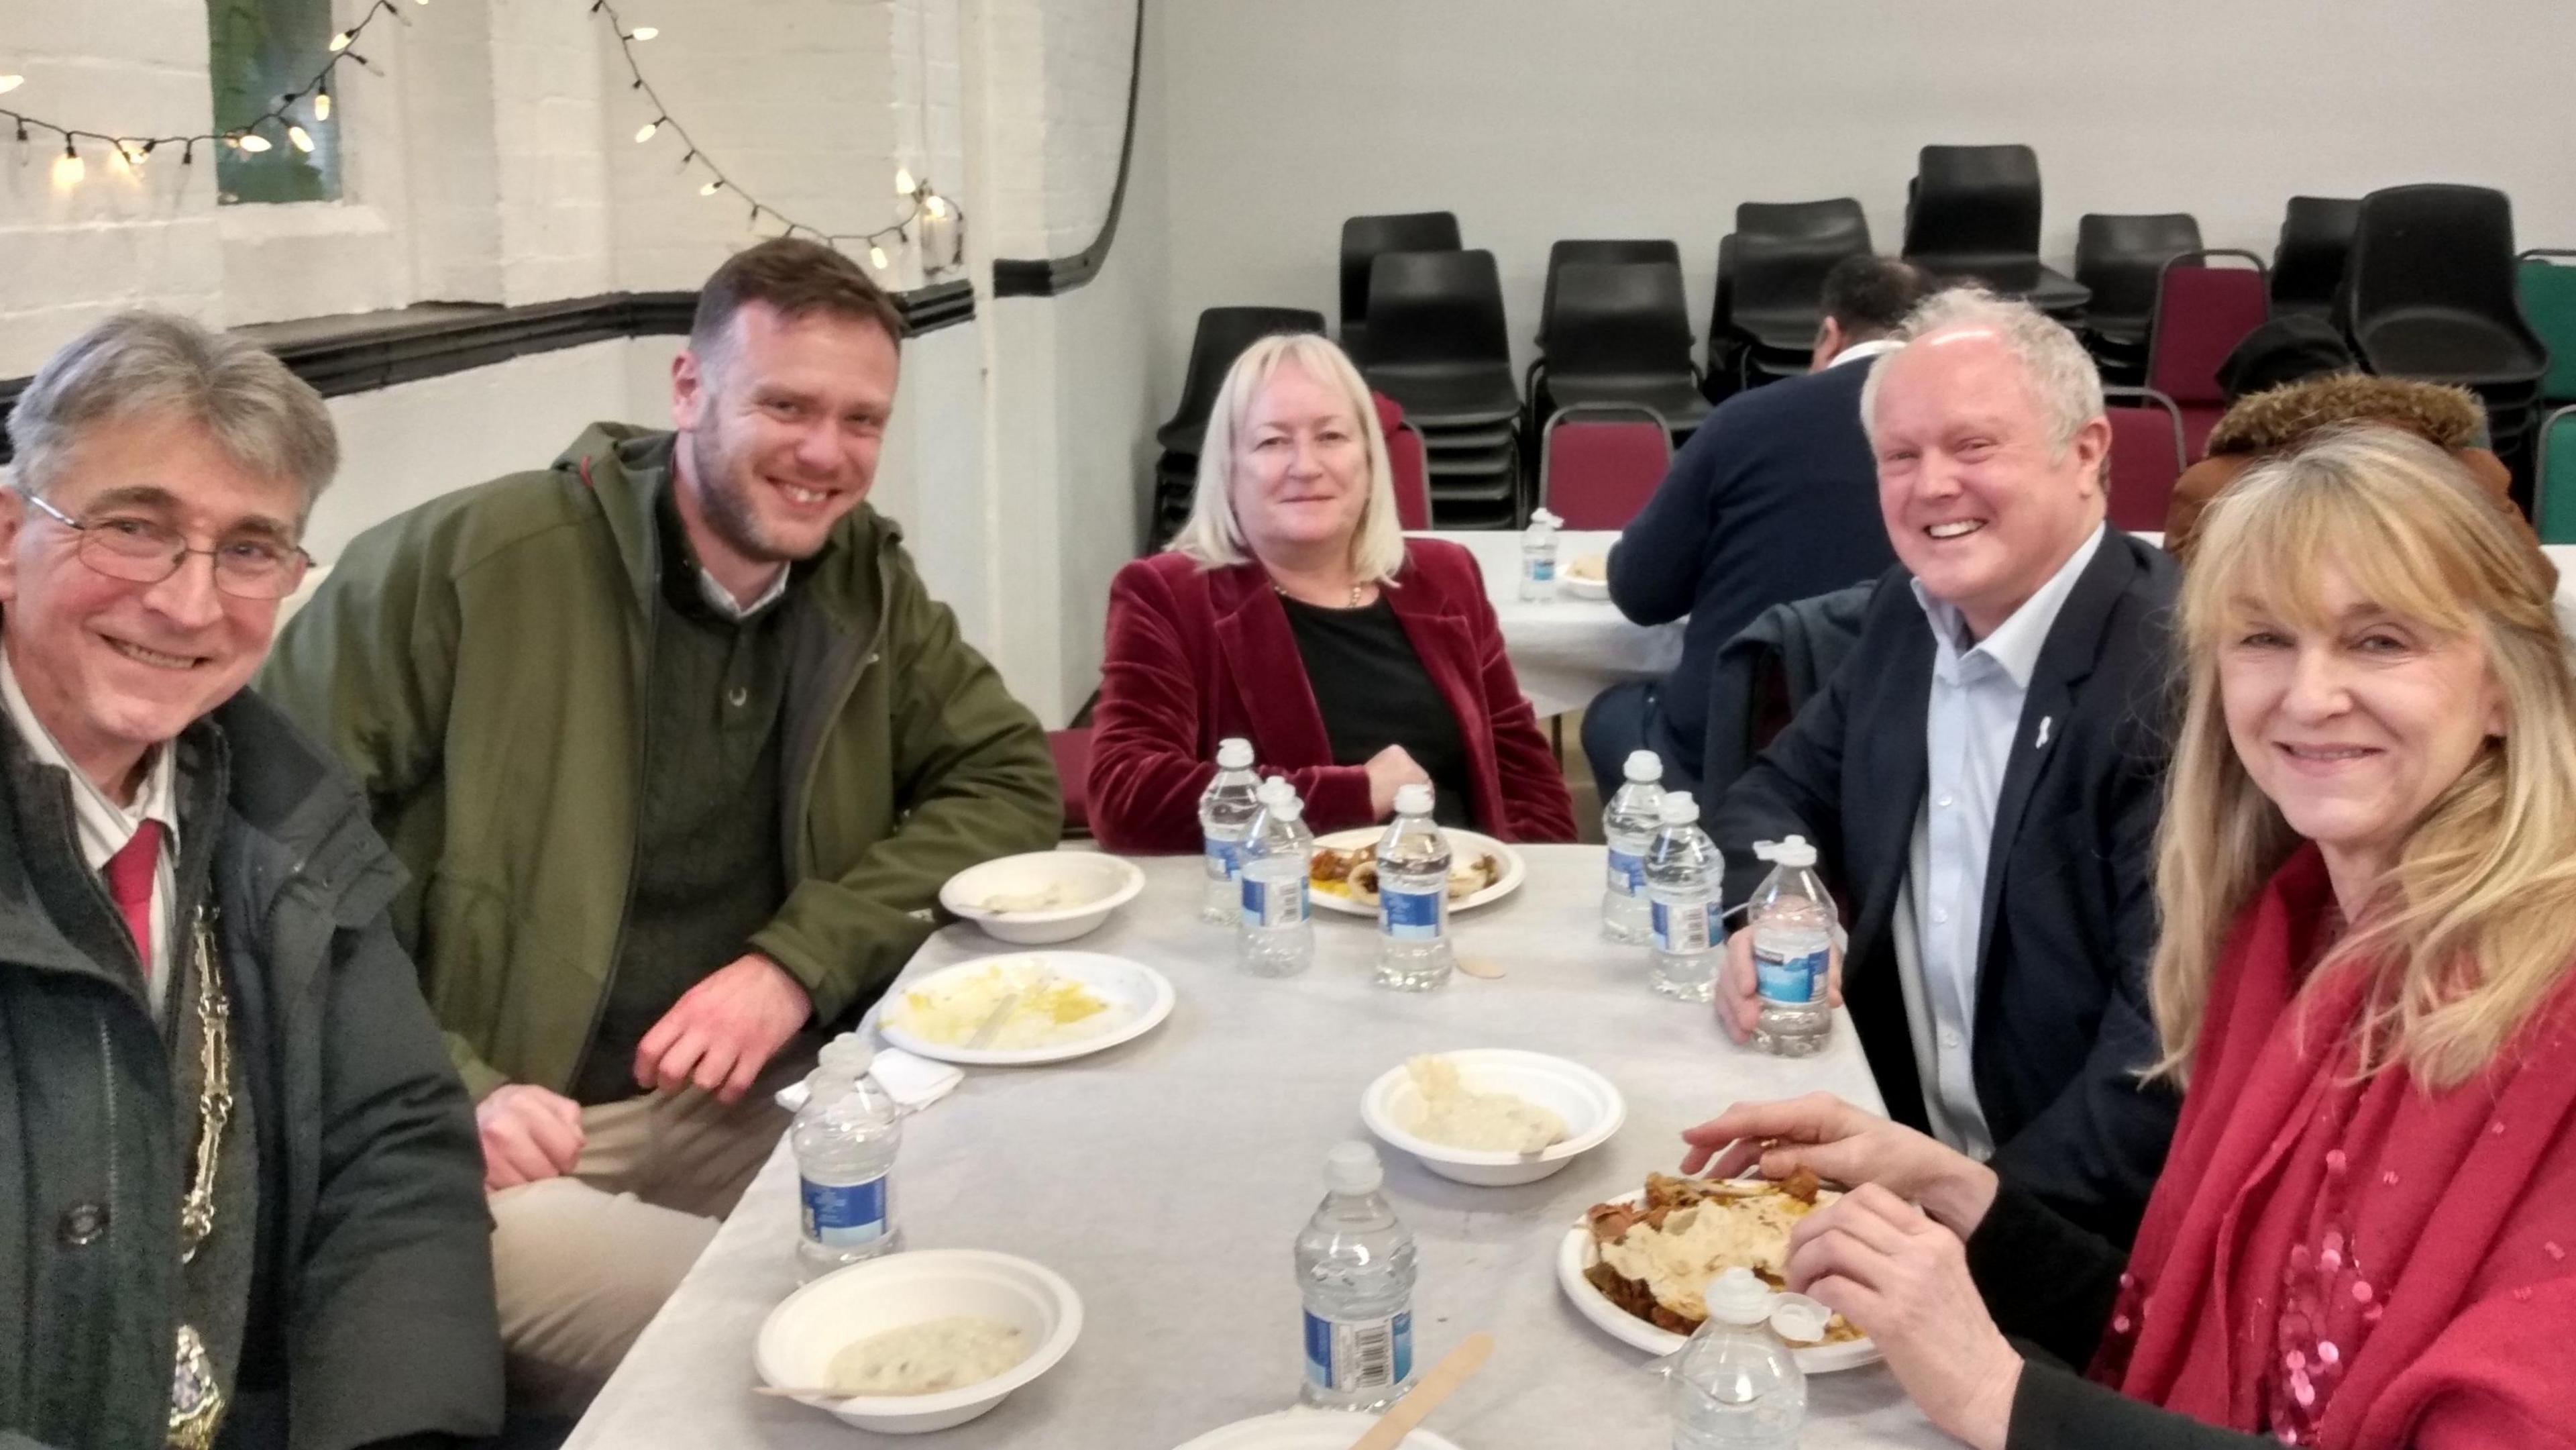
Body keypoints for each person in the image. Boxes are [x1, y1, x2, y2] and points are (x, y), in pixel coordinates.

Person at [260, 238, 1060, 1411]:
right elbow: (268, 853)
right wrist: (450, 1082)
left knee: (1015, 1254)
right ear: (687, 390)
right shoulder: (467, 566)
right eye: (785, 404)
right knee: (827, 1352)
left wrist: (796, 964)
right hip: (497, 1140)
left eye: (861, 420)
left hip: (759, 1099)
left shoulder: (862, 586)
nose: (826, 455)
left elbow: (1005, 776)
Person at [1682, 427, 2576, 1447]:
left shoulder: (2548, 1010)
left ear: (2505, 683)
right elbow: (2191, 1329)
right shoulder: (2290, 940)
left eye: (2381, 640)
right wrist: (1949, 1187)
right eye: (2264, 639)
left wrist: (1997, 1392)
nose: (2309, 694)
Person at [0, 313, 499, 1448]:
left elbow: (396, 1150)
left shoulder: (286, 803)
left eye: (250, 549)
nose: (188, 602)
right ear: (5, 532)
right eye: (133, 528)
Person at [1709, 288, 2180, 1241]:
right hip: (1895, 1144)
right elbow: (1776, 790)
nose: (1931, 487)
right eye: (1900, 457)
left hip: (2076, 1239)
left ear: (2086, 452)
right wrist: (1784, 908)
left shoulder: (2174, 678)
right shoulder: (1908, 617)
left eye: (1974, 447)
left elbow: (2162, 1066)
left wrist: (1965, 1221)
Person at [1088, 331, 1576, 848]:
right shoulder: (1167, 596)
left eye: (1331, 437)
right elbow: (1125, 797)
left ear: (1368, 459)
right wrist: (1354, 795)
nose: (1306, 466)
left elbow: (1525, 774)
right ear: (1230, 469)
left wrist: (1519, 885)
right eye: (1273, 441)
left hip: (1462, 900)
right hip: (1283, 911)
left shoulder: (1446, 576)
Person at [1582, 254, 1929, 797]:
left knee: (1612, 715)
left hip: (1733, 746)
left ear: (1830, 334)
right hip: (1906, 752)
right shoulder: (1959, 444)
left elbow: (1641, 592)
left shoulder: (1745, 421)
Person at [2162, 339, 2533, 566]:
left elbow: (2181, 612)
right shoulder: (2476, 469)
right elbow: (2534, 583)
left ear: (2241, 408)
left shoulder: (2213, 486)